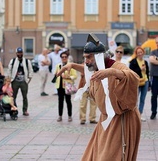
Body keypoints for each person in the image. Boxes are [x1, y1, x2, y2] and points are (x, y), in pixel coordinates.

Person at [57, 33, 141, 161]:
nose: (86, 61)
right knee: (95, 155)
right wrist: (72, 65)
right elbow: (87, 69)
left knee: (110, 156)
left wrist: (112, 72)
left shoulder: (117, 66)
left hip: (122, 119)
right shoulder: (96, 67)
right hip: (106, 120)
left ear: (99, 56)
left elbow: (133, 77)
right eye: (85, 57)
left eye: (89, 57)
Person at [7, 47, 33, 116]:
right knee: (13, 96)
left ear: (22, 53)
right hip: (15, 81)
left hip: (24, 82)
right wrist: (10, 79)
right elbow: (9, 70)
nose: (20, 54)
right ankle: (13, 109)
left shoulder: (27, 61)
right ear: (16, 53)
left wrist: (28, 79)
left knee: (25, 97)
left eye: (21, 52)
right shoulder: (13, 61)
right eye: (18, 53)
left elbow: (31, 70)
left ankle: (25, 110)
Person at [55, 51, 77, 122]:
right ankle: (60, 116)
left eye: (65, 57)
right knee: (60, 101)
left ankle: (69, 116)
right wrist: (57, 74)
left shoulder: (70, 65)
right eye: (62, 57)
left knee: (68, 101)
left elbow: (75, 76)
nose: (64, 58)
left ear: (67, 58)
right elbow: (56, 74)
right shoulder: (58, 65)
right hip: (60, 86)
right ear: (61, 58)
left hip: (67, 86)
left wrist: (68, 77)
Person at [129, 46, 150, 121]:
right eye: (138, 53)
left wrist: (149, 84)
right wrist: (140, 69)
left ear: (143, 53)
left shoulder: (145, 62)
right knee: (135, 99)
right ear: (136, 54)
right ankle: (134, 114)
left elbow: (147, 73)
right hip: (136, 82)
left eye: (141, 52)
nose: (140, 54)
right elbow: (131, 72)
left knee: (142, 99)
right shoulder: (133, 62)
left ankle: (139, 115)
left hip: (145, 81)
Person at [149, 36, 158, 119]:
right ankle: (153, 112)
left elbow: (155, 61)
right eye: (157, 42)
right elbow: (151, 60)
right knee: (154, 96)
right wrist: (155, 59)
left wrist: (157, 59)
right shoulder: (153, 52)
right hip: (155, 77)